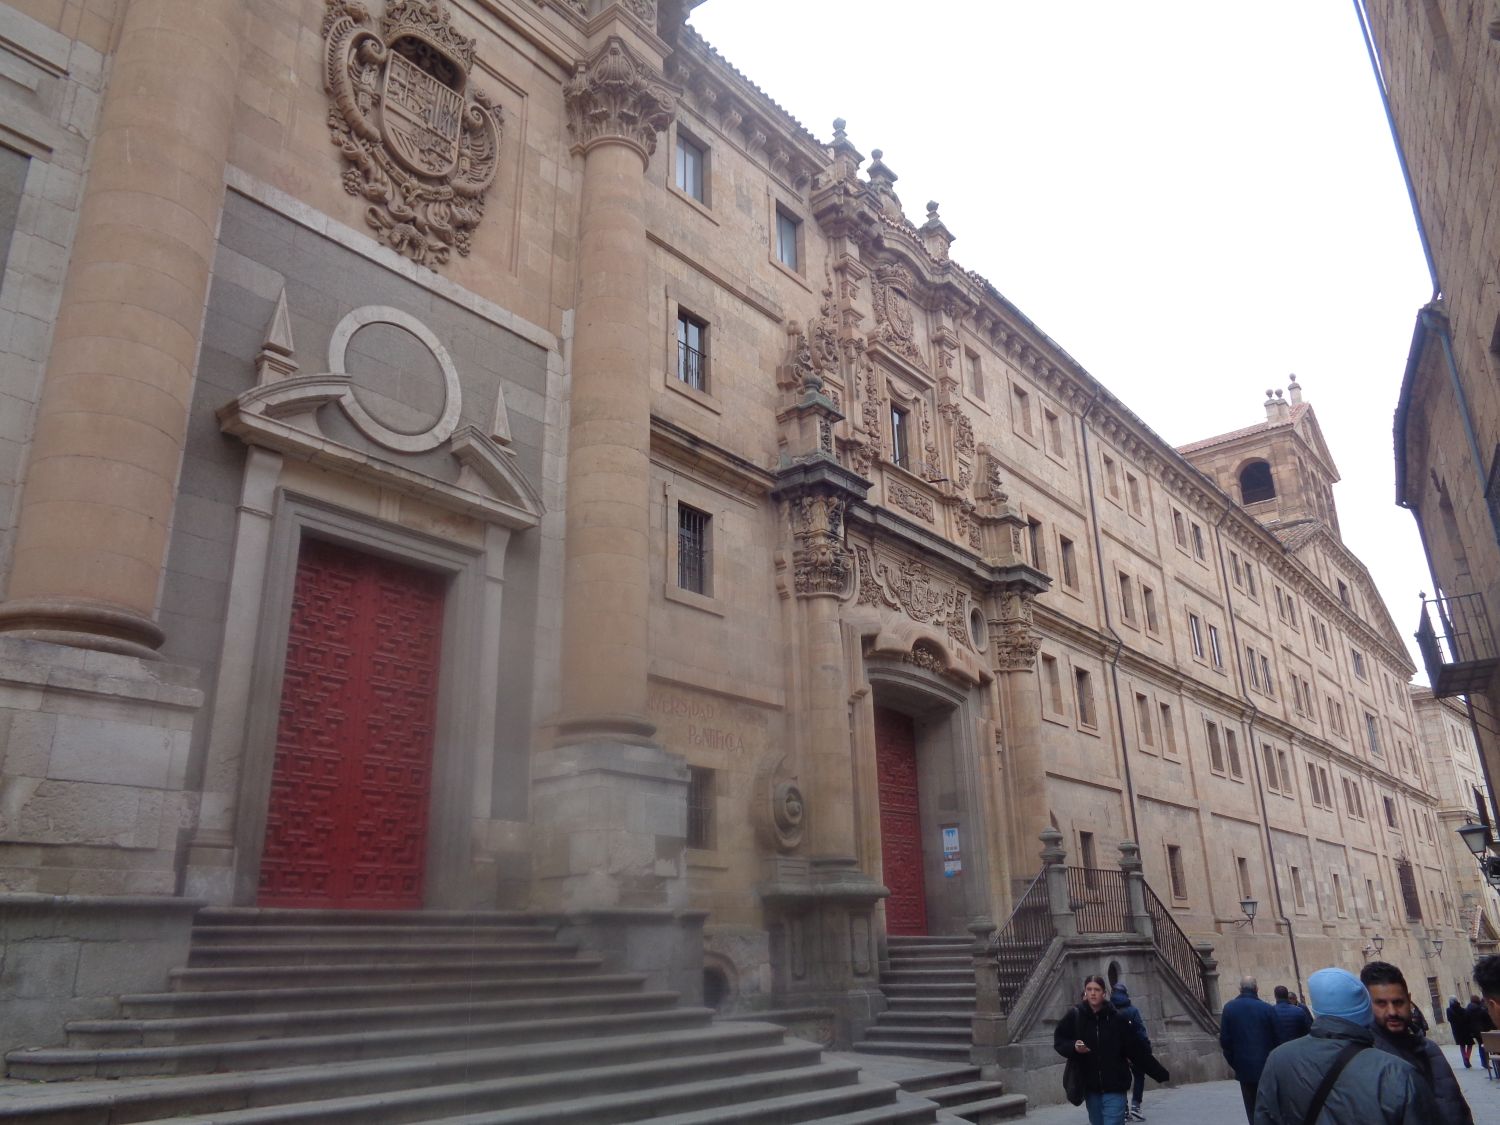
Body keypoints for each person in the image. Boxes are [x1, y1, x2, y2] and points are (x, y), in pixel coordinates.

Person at [1253, 966, 1437, 1124]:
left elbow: (1265, 1117)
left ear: (1317, 1009)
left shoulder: (1278, 1059)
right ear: (1366, 1008)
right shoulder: (1396, 1071)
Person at [1360, 961, 1472, 1125]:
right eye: (1381, 1004)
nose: (1392, 1012)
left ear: (1409, 1000)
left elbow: (1457, 1107)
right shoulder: (1366, 1059)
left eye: (1398, 1002)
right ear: (1368, 1005)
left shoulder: (1430, 1049)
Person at [1054, 975, 1170, 1125]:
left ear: (1104, 993)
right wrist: (1074, 1047)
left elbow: (1136, 1050)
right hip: (1091, 1086)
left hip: (1115, 1085)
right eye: (1089, 989)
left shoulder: (1117, 1019)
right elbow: (1060, 1040)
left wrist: (1159, 1073)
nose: (1093, 993)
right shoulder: (1075, 1016)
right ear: (1085, 992)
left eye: (1097, 989)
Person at [1219, 976, 1279, 1123]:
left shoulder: (1229, 1008)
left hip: (1243, 1065)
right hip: (1266, 1065)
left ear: (1240, 989)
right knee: (1268, 1105)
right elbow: (1277, 1038)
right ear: (1257, 989)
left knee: (1250, 1105)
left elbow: (1225, 1040)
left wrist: (1234, 1061)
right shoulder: (1267, 1009)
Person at [1110, 982, 1150, 1121]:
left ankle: (1124, 1110)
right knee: (1139, 1076)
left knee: (1121, 1080)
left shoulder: (1109, 1012)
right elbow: (1140, 1031)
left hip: (1117, 1052)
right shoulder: (1132, 1010)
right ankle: (1136, 1106)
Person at [1466, 991, 1493, 1072]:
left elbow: (1467, 1021)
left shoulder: (1468, 1009)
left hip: (1475, 1032)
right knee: (1486, 1046)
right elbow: (1486, 1018)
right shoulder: (1480, 1009)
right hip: (1483, 1030)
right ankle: (1486, 1062)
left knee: (1481, 1046)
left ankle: (1484, 1062)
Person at [1448, 995, 1475, 1068]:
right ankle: (1467, 1058)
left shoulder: (1449, 1011)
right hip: (1465, 1030)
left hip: (1457, 1031)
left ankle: (1465, 1059)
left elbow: (1450, 1020)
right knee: (1470, 1044)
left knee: (1462, 1045)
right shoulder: (1463, 1010)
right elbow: (1468, 1019)